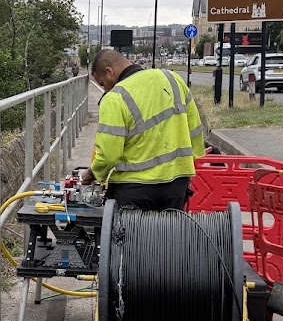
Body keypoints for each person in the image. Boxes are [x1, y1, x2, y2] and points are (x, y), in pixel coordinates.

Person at [79, 48, 206, 211]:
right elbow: (195, 129)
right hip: (176, 185)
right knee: (171, 234)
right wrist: (188, 164)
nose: (105, 90)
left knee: (130, 236)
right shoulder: (173, 79)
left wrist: (92, 174)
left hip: (133, 190)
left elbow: (109, 155)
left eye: (103, 84)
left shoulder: (115, 97)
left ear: (109, 71)